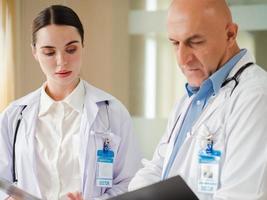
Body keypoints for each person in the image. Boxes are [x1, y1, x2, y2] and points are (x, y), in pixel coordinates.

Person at [128, 0, 267, 199]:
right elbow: (158, 169)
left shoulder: (256, 97)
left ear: (230, 34)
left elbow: (241, 195)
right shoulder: (190, 100)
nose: (182, 59)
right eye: (175, 43)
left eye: (195, 42)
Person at [0, 5, 141, 200]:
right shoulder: (13, 116)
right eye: (49, 52)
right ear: (34, 52)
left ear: (83, 45)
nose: (62, 61)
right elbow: (2, 182)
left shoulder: (113, 113)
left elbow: (130, 183)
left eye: (71, 49)